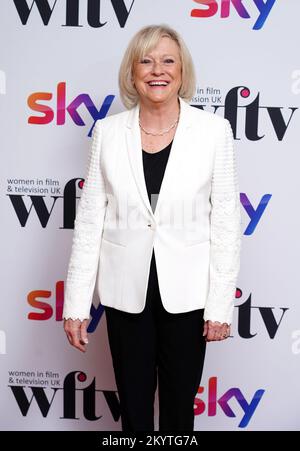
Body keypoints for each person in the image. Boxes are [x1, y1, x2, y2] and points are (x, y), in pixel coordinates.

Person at [63, 24, 242, 431]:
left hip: (188, 299)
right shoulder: (108, 133)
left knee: (180, 417)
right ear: (132, 73)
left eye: (167, 60)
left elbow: (226, 225)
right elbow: (90, 222)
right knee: (135, 417)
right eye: (145, 60)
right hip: (126, 297)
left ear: (182, 71)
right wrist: (75, 305)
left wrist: (218, 307)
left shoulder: (214, 132)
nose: (156, 70)